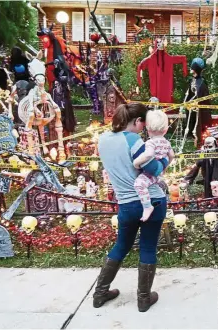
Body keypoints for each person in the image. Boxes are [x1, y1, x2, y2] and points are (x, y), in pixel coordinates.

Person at [93, 103, 169, 311]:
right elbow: (153, 168)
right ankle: (143, 299)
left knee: (121, 245)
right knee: (147, 247)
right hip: (150, 201)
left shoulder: (103, 139)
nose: (144, 128)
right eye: (143, 124)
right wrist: (166, 160)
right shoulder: (133, 139)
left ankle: (99, 294)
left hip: (125, 203)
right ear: (137, 122)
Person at [133, 110, 174, 221]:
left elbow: (149, 154)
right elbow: (171, 155)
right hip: (158, 173)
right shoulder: (166, 142)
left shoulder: (150, 143)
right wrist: (165, 167)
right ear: (165, 130)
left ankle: (147, 206)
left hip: (150, 173)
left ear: (148, 129)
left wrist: (136, 163)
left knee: (139, 184)